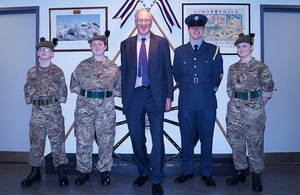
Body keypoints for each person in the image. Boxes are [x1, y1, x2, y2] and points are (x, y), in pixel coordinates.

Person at [120, 8, 173, 195]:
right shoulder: (126, 44)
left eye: (147, 20)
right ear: (136, 22)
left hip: (155, 95)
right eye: (140, 20)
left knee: (157, 138)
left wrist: (169, 96)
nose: (143, 24)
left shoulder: (162, 43)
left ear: (151, 22)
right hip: (133, 96)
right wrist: (124, 98)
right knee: (136, 137)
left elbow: (168, 70)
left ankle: (157, 178)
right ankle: (143, 172)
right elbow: (124, 73)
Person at [173, 14, 223, 187]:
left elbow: (218, 74)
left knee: (207, 139)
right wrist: (189, 89)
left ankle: (206, 173)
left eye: (199, 27)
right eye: (193, 27)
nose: (196, 30)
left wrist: (209, 90)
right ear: (188, 30)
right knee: (186, 138)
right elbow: (177, 75)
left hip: (207, 103)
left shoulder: (213, 50)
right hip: (186, 102)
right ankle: (187, 171)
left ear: (203, 30)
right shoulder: (179, 51)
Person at [70, 31, 121, 186]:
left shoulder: (113, 67)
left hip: (106, 108)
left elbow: (117, 89)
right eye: (94, 45)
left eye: (100, 44)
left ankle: (104, 172)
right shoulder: (82, 65)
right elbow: (75, 86)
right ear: (91, 48)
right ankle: (83, 172)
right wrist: (89, 97)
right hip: (84, 107)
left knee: (106, 140)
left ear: (105, 46)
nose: (97, 47)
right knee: (83, 139)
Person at [226, 33, 274, 192]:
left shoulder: (260, 67)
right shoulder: (232, 68)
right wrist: (236, 105)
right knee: (237, 143)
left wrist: (257, 105)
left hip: (254, 111)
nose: (241, 49)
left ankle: (256, 175)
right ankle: (240, 172)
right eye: (239, 47)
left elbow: (267, 89)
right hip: (234, 110)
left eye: (244, 46)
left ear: (251, 47)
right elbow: (229, 89)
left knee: (254, 144)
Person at [22, 37, 69, 187]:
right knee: (36, 142)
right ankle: (35, 172)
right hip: (37, 112)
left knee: (58, 143)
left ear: (52, 53)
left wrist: (55, 101)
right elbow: (27, 90)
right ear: (38, 53)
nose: (43, 52)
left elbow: (63, 92)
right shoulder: (31, 72)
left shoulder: (58, 71)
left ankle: (62, 172)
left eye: (46, 50)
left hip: (54, 111)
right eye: (41, 50)